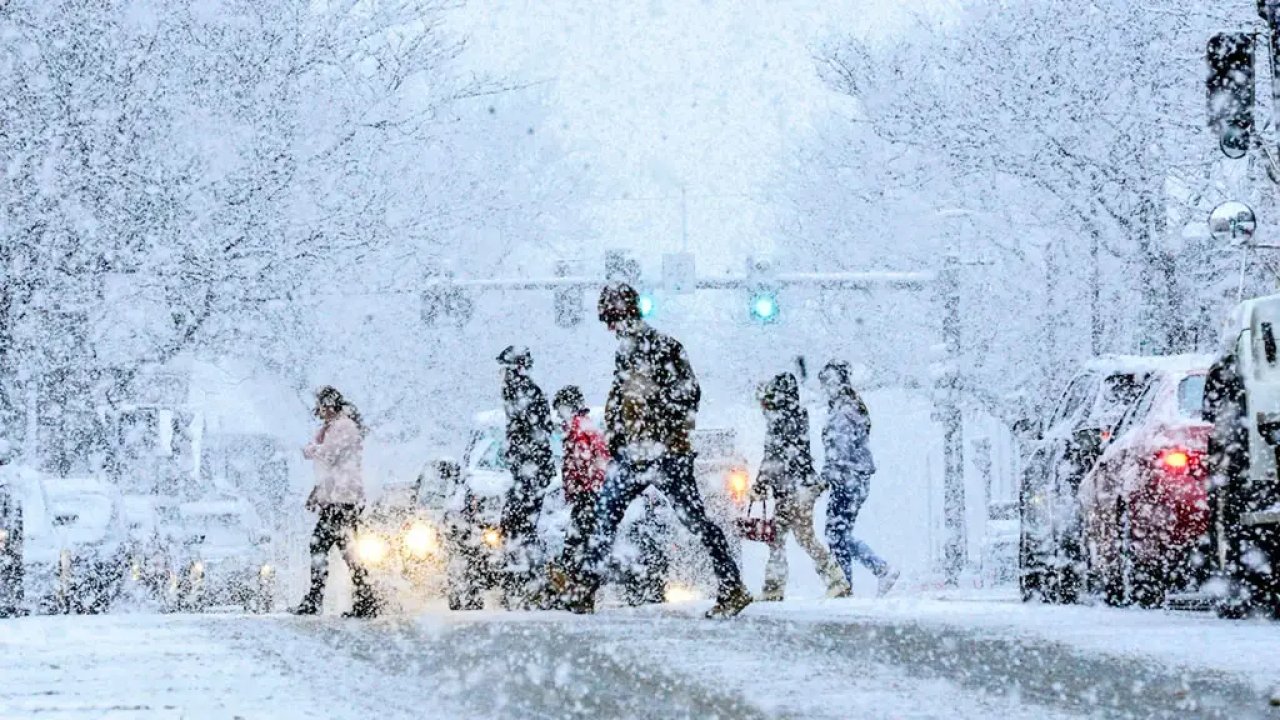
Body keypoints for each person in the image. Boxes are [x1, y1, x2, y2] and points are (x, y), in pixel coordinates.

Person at [565, 282, 752, 618]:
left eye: (611, 318)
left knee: (691, 519)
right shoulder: (628, 350)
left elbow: (689, 395)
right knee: (607, 517)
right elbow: (625, 401)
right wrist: (621, 434)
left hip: (664, 453)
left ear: (625, 314)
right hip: (638, 454)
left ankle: (732, 586)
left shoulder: (663, 346)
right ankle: (584, 589)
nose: (609, 328)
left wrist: (655, 416)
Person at [754, 372, 851, 601]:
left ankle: (836, 580)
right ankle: (774, 586)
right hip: (797, 485)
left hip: (795, 487)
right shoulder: (795, 414)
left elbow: (774, 456)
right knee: (779, 536)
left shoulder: (781, 418)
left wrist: (760, 482)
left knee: (801, 536)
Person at [294, 386, 380, 618]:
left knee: (320, 546)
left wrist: (312, 448)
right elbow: (329, 468)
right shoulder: (332, 428)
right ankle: (366, 598)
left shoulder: (343, 427)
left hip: (343, 499)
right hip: (339, 498)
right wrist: (317, 493)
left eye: (321, 406)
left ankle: (316, 600)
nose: (319, 411)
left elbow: (330, 456)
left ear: (329, 405)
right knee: (348, 551)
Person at [819, 362, 899, 597]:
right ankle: (851, 582)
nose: (825, 389)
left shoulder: (843, 412)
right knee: (840, 533)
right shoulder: (850, 408)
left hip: (847, 479)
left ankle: (872, 572)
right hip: (855, 479)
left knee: (837, 533)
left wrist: (825, 478)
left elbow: (840, 452)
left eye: (827, 384)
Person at [496, 345, 557, 608]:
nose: (502, 375)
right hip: (526, 472)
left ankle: (533, 581)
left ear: (517, 369)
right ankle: (526, 579)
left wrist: (523, 464)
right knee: (515, 525)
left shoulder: (525, 393)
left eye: (506, 370)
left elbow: (533, 436)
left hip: (530, 473)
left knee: (521, 525)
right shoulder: (519, 393)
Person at [552, 386, 609, 573]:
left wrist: (580, 488)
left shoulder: (577, 429)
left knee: (577, 539)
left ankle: (572, 577)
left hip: (587, 494)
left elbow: (583, 463)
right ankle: (576, 574)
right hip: (591, 493)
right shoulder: (586, 425)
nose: (559, 416)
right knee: (584, 538)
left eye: (560, 409)